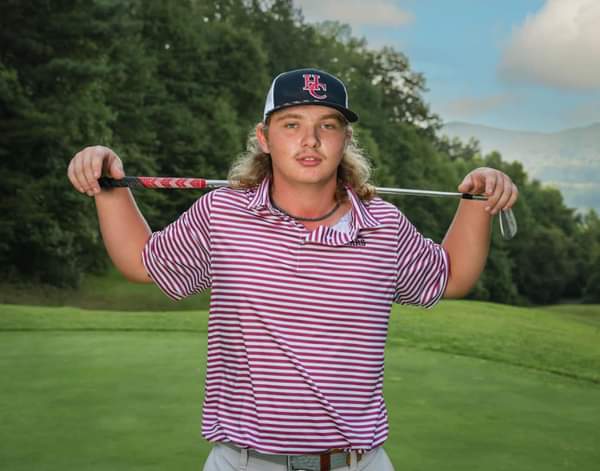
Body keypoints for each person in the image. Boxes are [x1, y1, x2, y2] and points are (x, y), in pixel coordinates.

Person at [67, 68, 518, 471]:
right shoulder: (222, 214)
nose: (311, 140)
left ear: (344, 141)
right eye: (291, 125)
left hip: (356, 463)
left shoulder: (383, 226)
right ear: (264, 138)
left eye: (328, 125)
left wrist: (481, 199)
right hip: (245, 462)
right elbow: (142, 261)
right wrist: (108, 184)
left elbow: (451, 276)